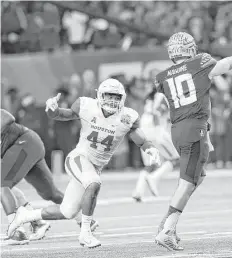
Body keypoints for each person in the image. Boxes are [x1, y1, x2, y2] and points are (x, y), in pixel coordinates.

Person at [7, 78, 160, 248]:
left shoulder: (127, 117)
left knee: (68, 211)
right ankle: (85, 233)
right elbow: (61, 114)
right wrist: (52, 110)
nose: (112, 100)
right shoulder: (87, 106)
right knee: (94, 183)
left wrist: (150, 148)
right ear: (100, 96)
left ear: (122, 99)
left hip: (95, 166)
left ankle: (25, 216)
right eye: (109, 96)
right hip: (79, 158)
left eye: (116, 97)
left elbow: (140, 139)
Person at [153, 13, 232, 250]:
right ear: (190, 50)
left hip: (178, 129)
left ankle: (166, 224)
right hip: (194, 128)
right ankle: (167, 229)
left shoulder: (162, 77)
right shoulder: (200, 63)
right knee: (188, 182)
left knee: (196, 177)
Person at [1, 109, 63, 243]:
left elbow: (8, 117)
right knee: (51, 194)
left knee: (2, 184)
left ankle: (17, 231)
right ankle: (84, 219)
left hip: (24, 142)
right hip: (26, 146)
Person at [132, 88, 179, 201]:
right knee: (175, 158)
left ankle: (138, 192)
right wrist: (159, 131)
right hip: (155, 129)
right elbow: (157, 112)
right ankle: (154, 178)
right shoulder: (162, 95)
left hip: (144, 127)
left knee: (150, 164)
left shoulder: (151, 95)